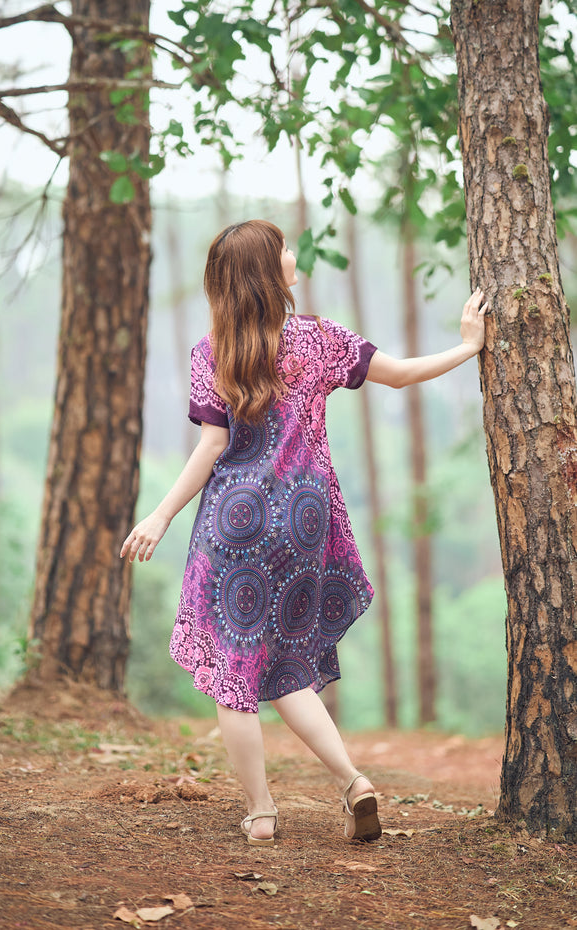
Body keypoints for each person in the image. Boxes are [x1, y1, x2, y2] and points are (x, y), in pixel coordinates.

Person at [120, 219, 488, 847]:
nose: (293, 255)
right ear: (268, 272)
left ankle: (261, 812)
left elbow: (212, 446)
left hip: (235, 520)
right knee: (286, 662)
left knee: (233, 670)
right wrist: (468, 348)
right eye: (284, 248)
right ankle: (353, 784)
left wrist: (160, 514)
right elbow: (397, 374)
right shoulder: (319, 341)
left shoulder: (213, 352)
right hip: (303, 517)